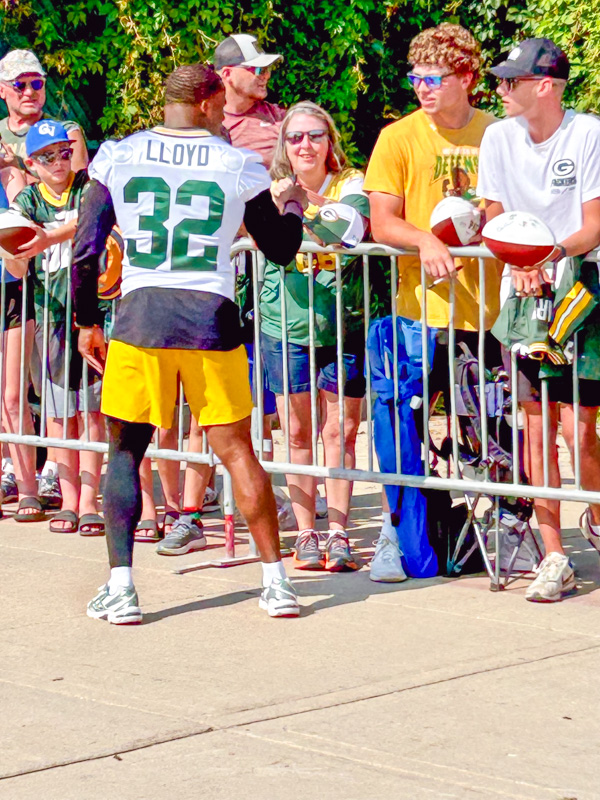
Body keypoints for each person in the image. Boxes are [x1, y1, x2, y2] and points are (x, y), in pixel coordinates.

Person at [72, 63, 307, 623]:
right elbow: (278, 248)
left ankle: (122, 587)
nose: (225, 117)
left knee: (127, 451)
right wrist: (293, 203)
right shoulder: (236, 163)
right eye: (220, 107)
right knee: (237, 451)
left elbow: (86, 250)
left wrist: (87, 320)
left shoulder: (118, 155)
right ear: (206, 103)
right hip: (210, 316)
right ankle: (275, 582)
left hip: (142, 316)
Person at [363, 22, 501, 582]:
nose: (422, 87)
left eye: (435, 78)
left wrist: (480, 232)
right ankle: (400, 539)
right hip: (415, 312)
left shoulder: (498, 133)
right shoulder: (398, 137)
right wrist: (425, 239)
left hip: (486, 313)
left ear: (467, 77)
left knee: (495, 433)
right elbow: (382, 219)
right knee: (400, 429)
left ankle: (505, 538)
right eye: (416, 77)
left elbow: (506, 211)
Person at [478, 38, 600, 602]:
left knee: (580, 429)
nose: (500, 90)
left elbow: (594, 224)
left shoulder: (589, 132)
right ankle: (555, 556)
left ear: (545, 86)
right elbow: (494, 214)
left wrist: (546, 257)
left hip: (581, 291)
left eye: (511, 81)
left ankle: (595, 514)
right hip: (522, 297)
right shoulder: (497, 136)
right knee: (536, 426)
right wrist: (518, 260)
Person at [260, 100, 369, 572]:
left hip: (343, 324)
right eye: (295, 137)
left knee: (340, 432)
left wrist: (304, 203)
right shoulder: (267, 190)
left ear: (330, 142)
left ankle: (339, 532)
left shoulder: (352, 182)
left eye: (315, 136)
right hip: (283, 324)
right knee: (299, 431)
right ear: (284, 145)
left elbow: (351, 229)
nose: (305, 145)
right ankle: (306, 531)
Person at [7, 120, 106, 534]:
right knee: (60, 415)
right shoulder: (28, 200)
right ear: (31, 162)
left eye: (64, 152)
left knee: (95, 409)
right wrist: (14, 248)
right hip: (51, 315)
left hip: (94, 314)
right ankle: (67, 500)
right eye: (47, 157)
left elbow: (92, 222)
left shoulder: (88, 186)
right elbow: (16, 260)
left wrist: (48, 237)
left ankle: (89, 501)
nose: (59, 162)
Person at [0, 49, 88, 175]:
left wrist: (15, 171)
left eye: (36, 84)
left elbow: (76, 191)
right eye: (20, 85)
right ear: (2, 90)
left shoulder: (66, 133)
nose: (29, 92)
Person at [214, 34, 284, 168]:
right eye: (260, 70)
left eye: (268, 69)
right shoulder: (205, 122)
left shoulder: (278, 119)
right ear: (228, 74)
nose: (267, 76)